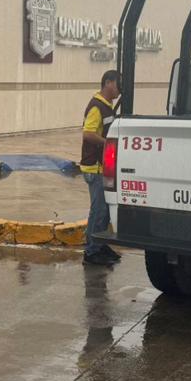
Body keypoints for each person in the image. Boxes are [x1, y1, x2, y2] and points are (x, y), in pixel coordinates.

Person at [81, 69, 123, 266]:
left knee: (105, 210)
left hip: (104, 167)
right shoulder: (97, 106)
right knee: (98, 211)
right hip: (95, 168)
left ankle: (101, 244)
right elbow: (88, 133)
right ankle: (91, 251)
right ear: (108, 83)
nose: (119, 88)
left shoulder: (108, 106)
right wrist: (108, 143)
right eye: (117, 83)